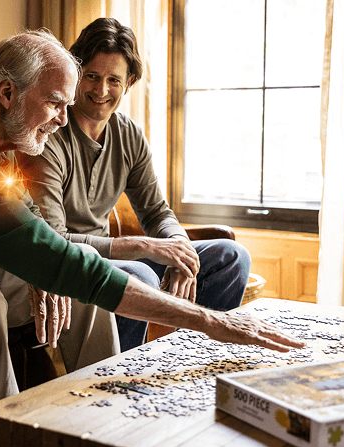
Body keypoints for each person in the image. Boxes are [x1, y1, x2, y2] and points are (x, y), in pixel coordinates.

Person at [0, 29, 304, 447]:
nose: (63, 118)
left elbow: (41, 237)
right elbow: (54, 252)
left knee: (62, 280)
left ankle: (109, 430)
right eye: (55, 103)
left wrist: (41, 267)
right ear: (7, 92)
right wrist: (207, 321)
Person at [18, 18, 252, 352]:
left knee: (231, 257)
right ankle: (120, 383)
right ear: (75, 76)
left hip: (113, 257)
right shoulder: (50, 133)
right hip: (70, 262)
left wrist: (180, 248)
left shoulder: (129, 135)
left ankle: (191, 362)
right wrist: (144, 247)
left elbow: (157, 211)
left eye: (113, 79)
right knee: (137, 275)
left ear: (128, 83)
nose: (101, 91)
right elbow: (53, 240)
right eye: (93, 77)